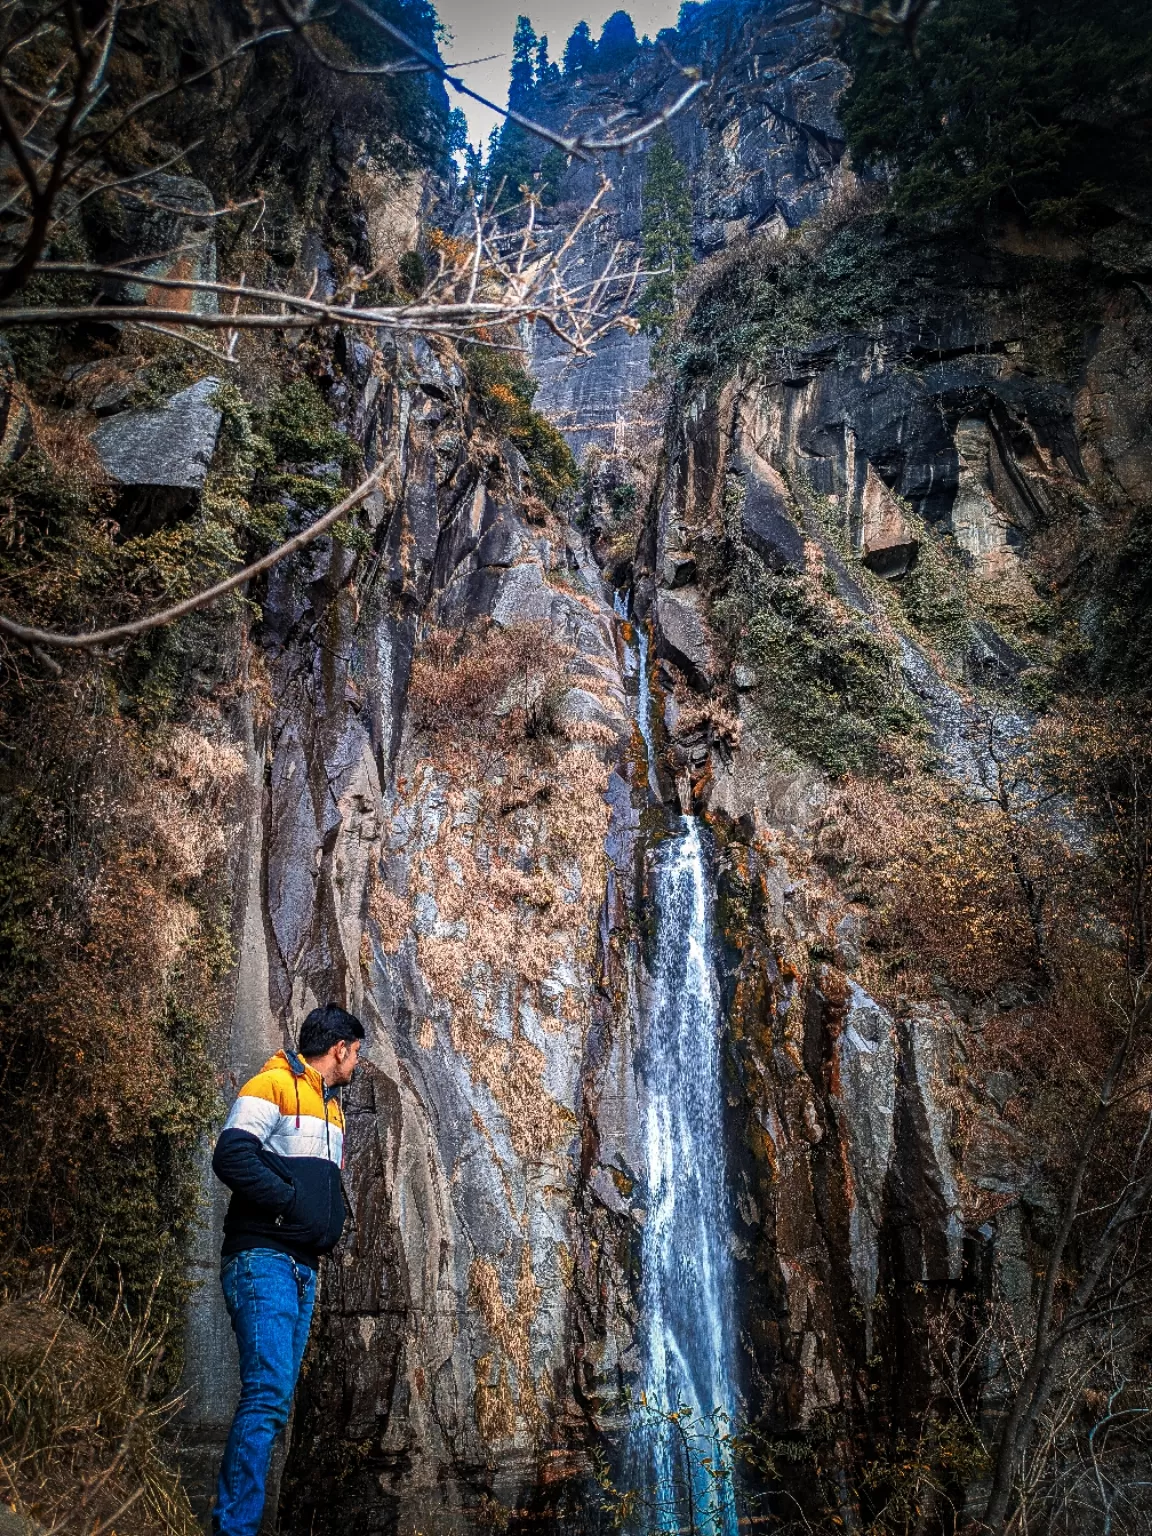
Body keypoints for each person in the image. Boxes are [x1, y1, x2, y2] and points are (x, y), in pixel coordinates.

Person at [210, 1003, 364, 1536]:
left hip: (302, 1269)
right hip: (262, 1259)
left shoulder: (334, 1111)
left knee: (274, 1402)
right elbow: (231, 1155)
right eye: (356, 1053)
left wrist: (324, 1218)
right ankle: (234, 1530)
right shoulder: (271, 1083)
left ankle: (238, 1524)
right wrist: (288, 1203)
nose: (357, 1065)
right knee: (266, 1395)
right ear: (339, 1048)